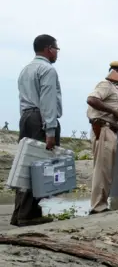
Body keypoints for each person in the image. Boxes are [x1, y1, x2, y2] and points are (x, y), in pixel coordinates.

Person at [11, 34, 62, 226]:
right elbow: (47, 101)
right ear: (49, 49)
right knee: (40, 166)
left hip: (26, 117)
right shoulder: (47, 69)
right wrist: (50, 130)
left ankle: (21, 213)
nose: (57, 53)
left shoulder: (26, 69)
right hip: (40, 118)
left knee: (25, 166)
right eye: (56, 49)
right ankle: (28, 214)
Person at [86, 61, 118, 214]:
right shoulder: (105, 85)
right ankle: (98, 206)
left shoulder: (115, 89)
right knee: (102, 169)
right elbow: (92, 100)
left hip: (110, 130)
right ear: (115, 72)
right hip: (103, 129)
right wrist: (115, 112)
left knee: (107, 169)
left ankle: (101, 203)